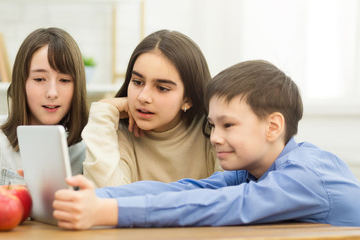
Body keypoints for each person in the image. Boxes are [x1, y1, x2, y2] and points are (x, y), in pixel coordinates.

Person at [53, 60, 360, 229]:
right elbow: (188, 190)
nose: (214, 137)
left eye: (228, 125)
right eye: (213, 125)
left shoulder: (305, 175)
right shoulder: (253, 171)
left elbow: (222, 206)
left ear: (273, 126)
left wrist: (105, 211)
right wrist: (92, 197)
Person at [82, 30, 221, 187]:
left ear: (187, 99)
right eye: (137, 82)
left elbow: (229, 200)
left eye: (162, 88)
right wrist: (104, 110)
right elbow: (105, 197)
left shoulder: (213, 135)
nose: (143, 97)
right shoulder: (115, 134)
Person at [0, 27, 89, 188]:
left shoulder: (84, 150)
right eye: (39, 79)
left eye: (64, 80)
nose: (52, 93)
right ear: (21, 83)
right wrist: (18, 195)